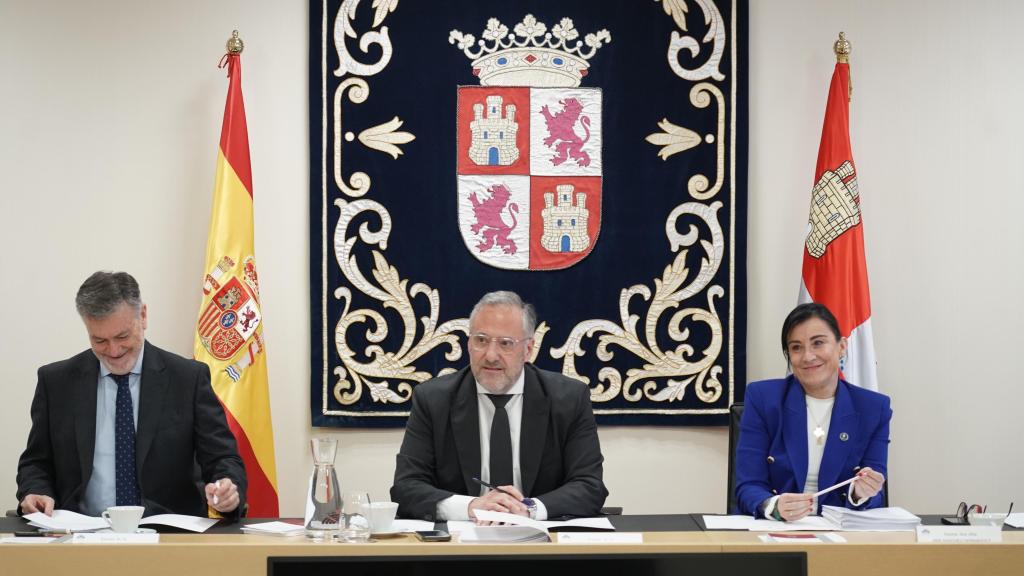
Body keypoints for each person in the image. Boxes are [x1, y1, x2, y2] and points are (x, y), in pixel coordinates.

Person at [16, 271, 247, 518]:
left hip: (167, 536)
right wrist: (35, 491)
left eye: (122, 336)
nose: (113, 350)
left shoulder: (188, 379)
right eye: (100, 340)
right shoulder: (57, 382)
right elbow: (36, 462)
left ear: (143, 316)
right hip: (81, 535)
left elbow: (223, 458)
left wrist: (227, 489)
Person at [391, 291, 608, 521]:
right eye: (481, 340)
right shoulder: (433, 400)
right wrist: (471, 506)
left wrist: (528, 509)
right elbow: (406, 488)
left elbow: (590, 486)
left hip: (543, 547)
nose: (491, 355)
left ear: (528, 349)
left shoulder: (569, 399)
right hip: (459, 548)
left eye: (505, 343)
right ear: (468, 343)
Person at [734, 302, 891, 520]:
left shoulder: (873, 408)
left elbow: (876, 492)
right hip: (774, 531)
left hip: (842, 537)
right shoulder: (763, 398)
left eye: (818, 343)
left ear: (842, 347)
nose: (807, 356)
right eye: (796, 347)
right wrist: (774, 507)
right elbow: (748, 486)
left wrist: (861, 493)